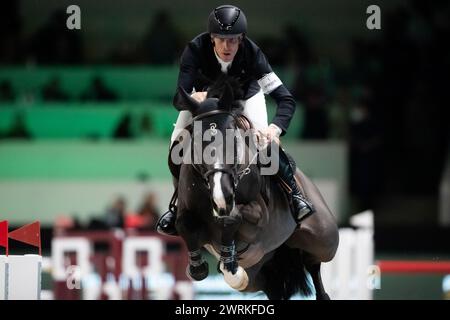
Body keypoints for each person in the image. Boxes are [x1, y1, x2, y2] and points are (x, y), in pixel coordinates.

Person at [157, 5, 314, 236]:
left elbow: (285, 99)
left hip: (245, 99)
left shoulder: (253, 53)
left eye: (232, 40)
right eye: (220, 39)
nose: (226, 46)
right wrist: (191, 97)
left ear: (241, 39)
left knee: (265, 146)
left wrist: (275, 127)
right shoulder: (194, 49)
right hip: (205, 104)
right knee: (176, 145)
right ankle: (178, 205)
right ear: (212, 38)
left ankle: (294, 196)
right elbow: (178, 98)